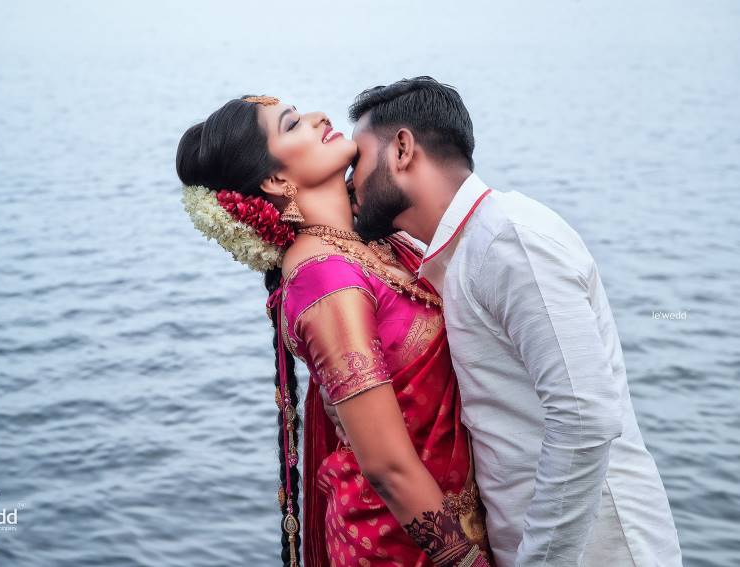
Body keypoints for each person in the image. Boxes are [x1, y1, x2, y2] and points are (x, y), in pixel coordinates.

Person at [340, 76, 683, 566]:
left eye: (358, 160)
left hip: (598, 548)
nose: (351, 181)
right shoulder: (456, 250)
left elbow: (585, 416)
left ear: (401, 150)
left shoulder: (509, 240)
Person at [176, 94, 493, 566]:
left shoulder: (368, 242)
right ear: (277, 179)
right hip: (400, 546)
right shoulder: (325, 277)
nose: (319, 117)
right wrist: (466, 560)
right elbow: (386, 467)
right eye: (293, 124)